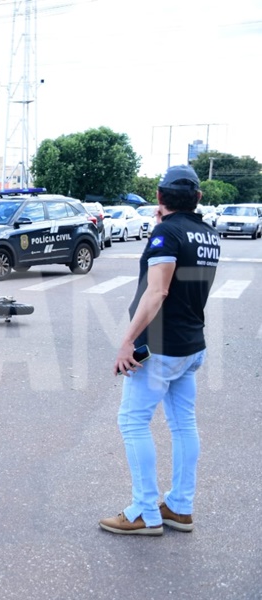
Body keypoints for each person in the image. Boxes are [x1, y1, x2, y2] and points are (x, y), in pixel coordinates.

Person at [99, 165, 219, 536]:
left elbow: (159, 291)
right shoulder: (208, 234)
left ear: (159, 196)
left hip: (162, 345)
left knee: (133, 422)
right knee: (184, 425)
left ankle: (145, 511)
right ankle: (180, 506)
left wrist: (126, 341)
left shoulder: (167, 233)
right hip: (191, 344)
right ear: (198, 198)